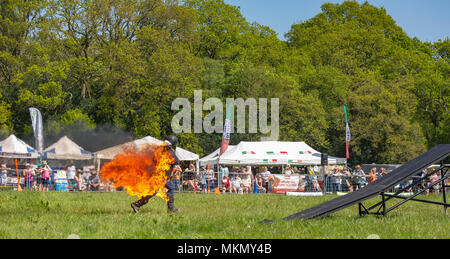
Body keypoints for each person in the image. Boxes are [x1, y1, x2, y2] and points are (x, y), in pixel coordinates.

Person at [131, 135, 181, 213]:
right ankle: (137, 204)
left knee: (171, 188)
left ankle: (171, 208)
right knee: (153, 192)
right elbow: (177, 161)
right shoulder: (169, 151)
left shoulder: (159, 149)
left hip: (161, 176)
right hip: (160, 176)